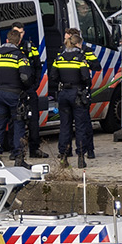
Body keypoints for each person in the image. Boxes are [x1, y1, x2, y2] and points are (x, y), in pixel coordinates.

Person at [47, 29, 97, 169]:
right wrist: (84, 87)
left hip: (63, 94)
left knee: (64, 126)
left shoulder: (60, 57)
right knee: (80, 126)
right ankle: (81, 157)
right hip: (77, 94)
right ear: (78, 44)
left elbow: (53, 76)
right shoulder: (80, 57)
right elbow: (86, 77)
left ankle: (63, 157)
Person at [0, 27, 33, 163]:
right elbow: (25, 77)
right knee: (19, 125)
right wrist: (25, 88)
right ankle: (18, 156)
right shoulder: (20, 56)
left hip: (0, 93)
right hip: (15, 94)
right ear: (18, 41)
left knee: (0, 124)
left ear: (6, 40)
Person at [21, 31, 49, 159]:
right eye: (17, 32)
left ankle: (34, 149)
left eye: (22, 32)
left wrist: (36, 84)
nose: (20, 35)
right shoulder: (8, 50)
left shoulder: (31, 47)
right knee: (16, 121)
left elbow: (38, 66)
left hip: (30, 89)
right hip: (17, 91)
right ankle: (17, 151)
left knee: (33, 121)